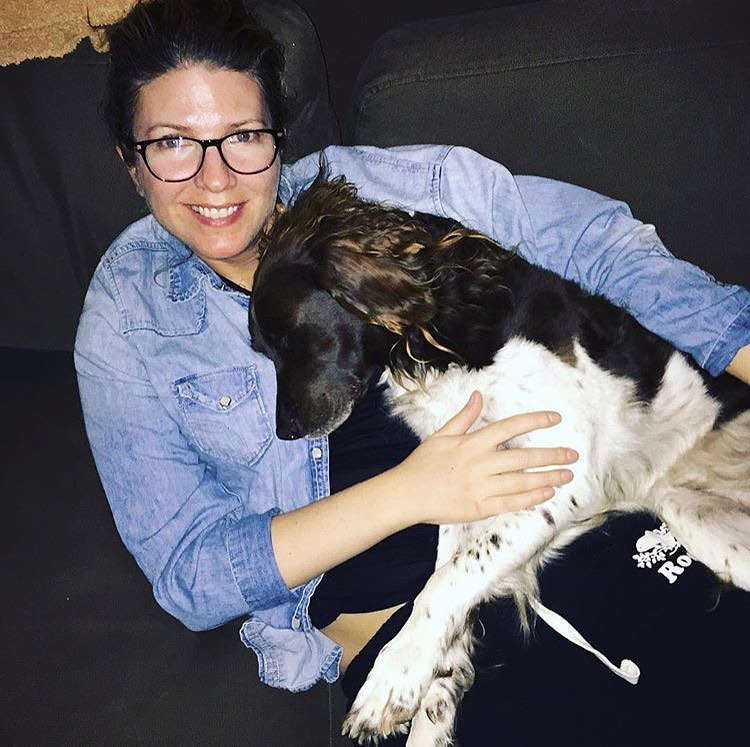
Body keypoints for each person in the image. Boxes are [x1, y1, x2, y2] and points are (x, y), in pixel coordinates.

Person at [74, 0, 750, 744]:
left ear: (277, 137)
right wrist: (415, 491)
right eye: (173, 143)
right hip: (416, 641)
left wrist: (739, 348)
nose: (216, 179)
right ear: (129, 161)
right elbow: (191, 574)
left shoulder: (391, 191)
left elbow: (598, 244)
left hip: (593, 521)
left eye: (242, 137)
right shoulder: (128, 315)